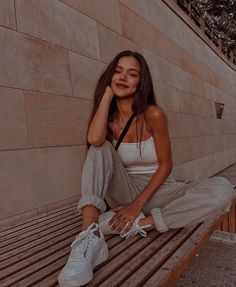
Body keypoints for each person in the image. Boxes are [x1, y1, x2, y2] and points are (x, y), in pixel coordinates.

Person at [58, 50, 235, 287]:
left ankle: (140, 224)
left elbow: (166, 165)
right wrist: (106, 96)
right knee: (98, 148)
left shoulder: (153, 114)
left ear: (141, 82)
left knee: (223, 189)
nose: (122, 78)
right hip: (123, 189)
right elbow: (94, 138)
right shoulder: (108, 119)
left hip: (159, 190)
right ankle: (89, 236)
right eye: (117, 72)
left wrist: (136, 209)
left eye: (132, 74)